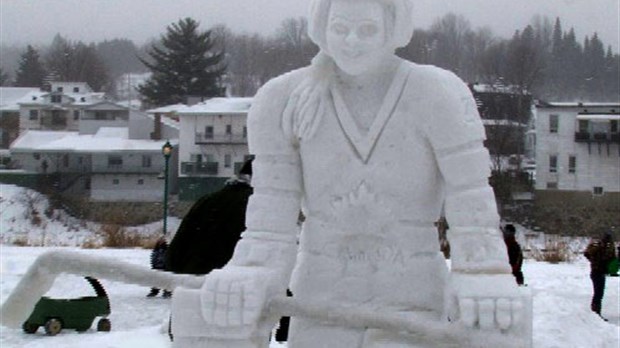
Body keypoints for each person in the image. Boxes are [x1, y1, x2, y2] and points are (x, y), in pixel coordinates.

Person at [171, 1, 528, 347]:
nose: (352, 41)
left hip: (412, 300)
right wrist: (251, 270)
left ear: (392, 27)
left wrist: (483, 274)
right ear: (321, 26)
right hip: (320, 300)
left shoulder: (438, 94)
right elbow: (271, 215)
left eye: (367, 29)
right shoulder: (283, 101)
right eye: (340, 28)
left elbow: (470, 196)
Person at [165, 158, 254, 275]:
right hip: (230, 280)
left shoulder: (208, 200)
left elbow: (181, 241)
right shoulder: (255, 205)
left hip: (192, 274)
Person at [584, 232, 616, 319]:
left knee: (598, 293)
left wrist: (593, 261)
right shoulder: (605, 248)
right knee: (598, 293)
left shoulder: (597, 246)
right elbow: (612, 260)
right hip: (598, 272)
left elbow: (586, 253)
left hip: (597, 272)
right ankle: (595, 314)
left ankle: (596, 313)